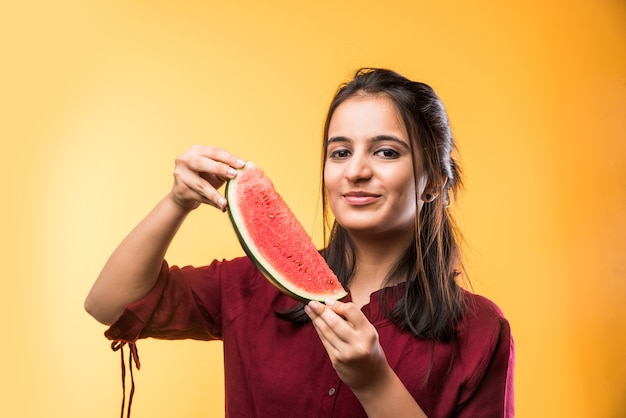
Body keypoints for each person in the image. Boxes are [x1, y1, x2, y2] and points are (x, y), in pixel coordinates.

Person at [85, 68, 515, 418]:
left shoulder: (480, 332)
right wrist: (177, 201)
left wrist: (375, 383)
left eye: (386, 152)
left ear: (433, 182)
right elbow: (108, 303)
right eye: (340, 152)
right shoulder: (252, 287)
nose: (356, 171)